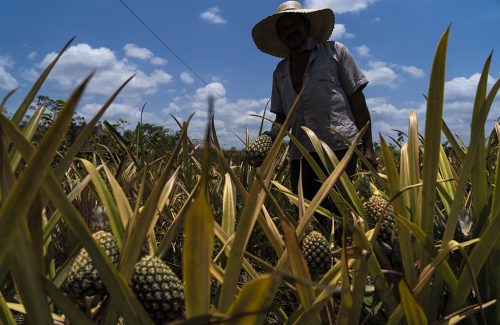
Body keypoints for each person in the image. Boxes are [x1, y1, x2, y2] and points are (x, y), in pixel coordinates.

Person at [252, 1, 377, 231]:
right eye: (285, 27)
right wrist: (266, 143)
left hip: (339, 147)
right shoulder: (280, 71)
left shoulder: (335, 52)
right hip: (300, 154)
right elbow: (281, 117)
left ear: (307, 25)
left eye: (295, 23)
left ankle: (347, 260)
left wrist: (368, 146)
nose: (291, 30)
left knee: (344, 213)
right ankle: (319, 265)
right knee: (308, 216)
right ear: (280, 35)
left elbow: (357, 100)